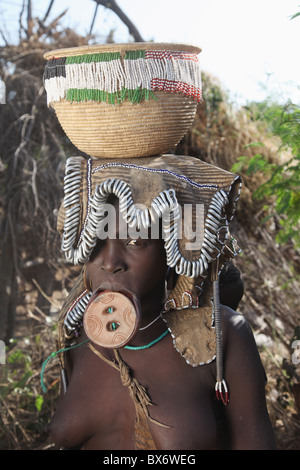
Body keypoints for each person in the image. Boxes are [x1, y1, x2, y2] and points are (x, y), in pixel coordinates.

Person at [45, 154, 276, 450]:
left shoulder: (222, 335)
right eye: (95, 241)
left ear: (172, 248)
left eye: (136, 242)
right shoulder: (77, 333)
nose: (111, 262)